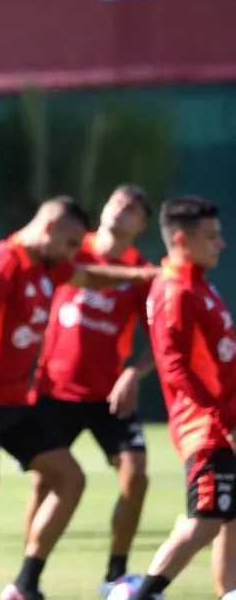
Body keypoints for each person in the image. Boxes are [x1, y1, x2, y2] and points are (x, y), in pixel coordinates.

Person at [0, 197, 159, 600]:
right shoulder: (3, 261)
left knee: (70, 478)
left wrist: (152, 275)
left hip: (15, 404)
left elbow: (94, 277)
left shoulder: (50, 266)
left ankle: (25, 585)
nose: (76, 252)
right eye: (72, 243)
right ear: (50, 227)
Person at [25, 185, 156, 597]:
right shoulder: (67, 248)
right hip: (54, 390)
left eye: (133, 209)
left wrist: (133, 373)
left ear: (142, 225)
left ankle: (115, 575)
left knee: (136, 476)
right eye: (117, 201)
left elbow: (160, 338)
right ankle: (29, 579)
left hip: (107, 397)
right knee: (44, 485)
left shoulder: (141, 271)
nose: (121, 210)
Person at [125, 196, 235, 600]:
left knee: (229, 517)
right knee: (204, 521)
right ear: (182, 239)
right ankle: (144, 593)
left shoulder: (198, 283)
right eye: (211, 237)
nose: (220, 244)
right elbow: (175, 368)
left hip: (223, 421)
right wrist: (227, 423)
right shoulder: (173, 291)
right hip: (207, 427)